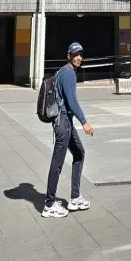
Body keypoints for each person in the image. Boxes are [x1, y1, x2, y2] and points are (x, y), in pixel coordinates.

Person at [42, 42, 94, 219]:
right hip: (63, 122)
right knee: (58, 161)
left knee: (79, 153)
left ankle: (74, 198)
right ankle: (49, 204)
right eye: (75, 54)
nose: (79, 57)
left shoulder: (64, 71)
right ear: (69, 56)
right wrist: (85, 122)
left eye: (80, 54)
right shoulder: (68, 74)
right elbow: (72, 102)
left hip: (66, 121)